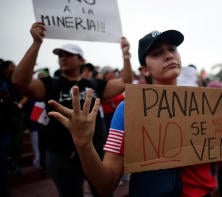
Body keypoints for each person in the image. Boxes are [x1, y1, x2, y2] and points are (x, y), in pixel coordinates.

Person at [47, 30, 222, 197]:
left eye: (172, 49)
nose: (168, 55)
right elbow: (106, 185)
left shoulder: (203, 105)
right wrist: (84, 145)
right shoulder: (128, 108)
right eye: (157, 53)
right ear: (145, 70)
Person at [11, 21, 132, 197]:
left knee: (103, 193)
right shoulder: (50, 84)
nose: (63, 58)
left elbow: (125, 82)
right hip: (61, 156)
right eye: (60, 55)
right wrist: (36, 43)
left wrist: (126, 55)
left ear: (81, 60)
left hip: (95, 152)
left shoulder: (94, 84)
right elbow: (19, 82)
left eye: (69, 54)